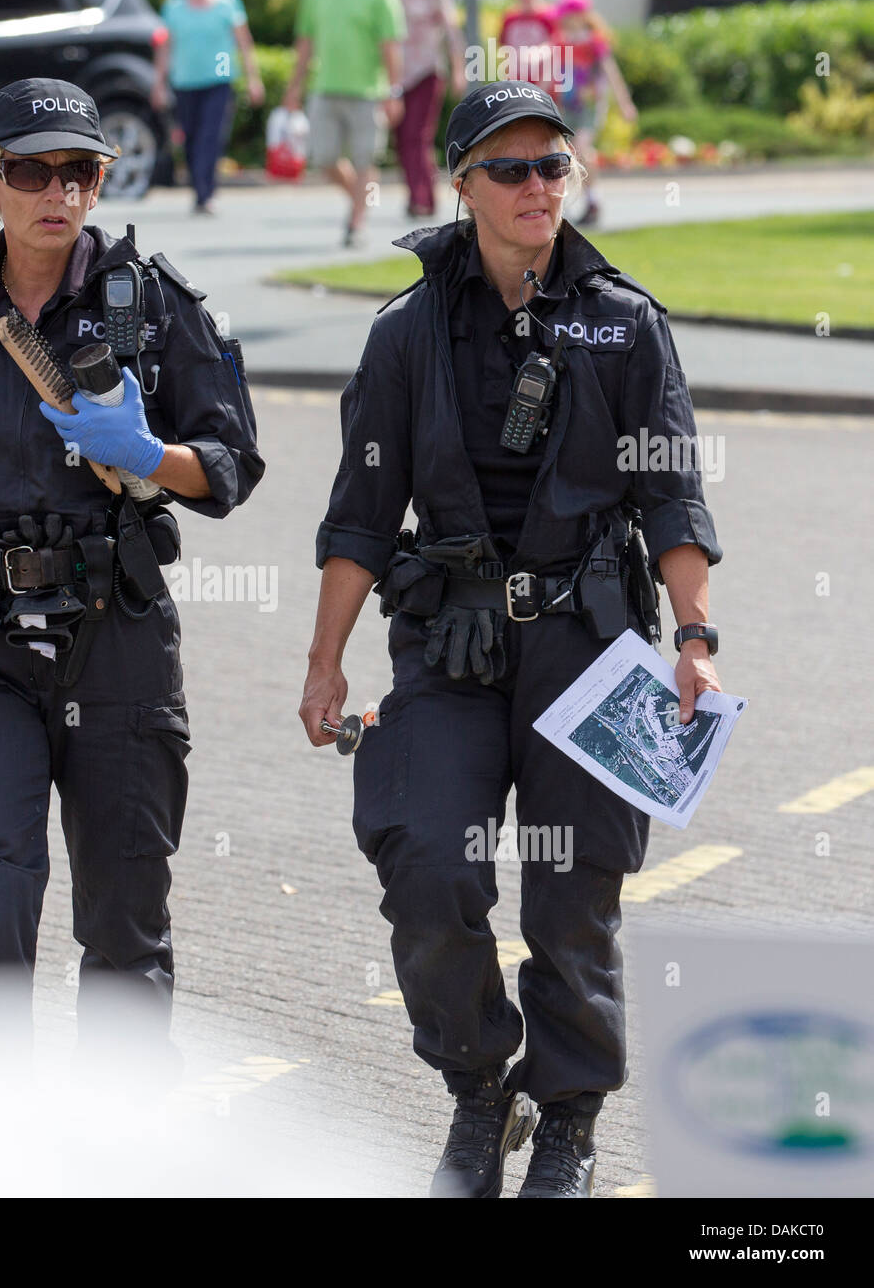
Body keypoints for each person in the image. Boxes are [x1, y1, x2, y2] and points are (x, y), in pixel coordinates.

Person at [300, 81, 724, 1197]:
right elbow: (357, 514)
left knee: (573, 891)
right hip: (446, 645)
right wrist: (322, 660)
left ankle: (571, 1119)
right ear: (461, 184)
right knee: (428, 864)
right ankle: (480, 1092)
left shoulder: (624, 324)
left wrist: (695, 636)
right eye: (510, 169)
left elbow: (672, 500)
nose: (537, 187)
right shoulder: (405, 332)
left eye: (552, 166)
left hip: (586, 649)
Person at [0, 78, 264, 1074]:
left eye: (77, 171)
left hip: (113, 638)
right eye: (30, 170)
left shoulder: (153, 305)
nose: (57, 191)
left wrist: (147, 451)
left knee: (125, 923)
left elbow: (230, 466)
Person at [283, 0, 406, 247]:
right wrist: (294, 87)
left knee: (365, 158)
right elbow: (306, 41)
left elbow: (390, 45)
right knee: (324, 157)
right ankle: (360, 199)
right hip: (324, 88)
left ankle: (356, 223)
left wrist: (394, 91)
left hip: (368, 92)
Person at [152, 0, 265, 215]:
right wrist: (159, 83)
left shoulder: (228, 2)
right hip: (185, 80)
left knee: (211, 136)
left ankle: (206, 193)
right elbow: (165, 46)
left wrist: (253, 79)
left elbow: (244, 42)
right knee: (191, 137)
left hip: (219, 78)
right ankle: (199, 189)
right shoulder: (173, 5)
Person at [551, 0, 637, 225]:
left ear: (580, 15)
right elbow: (552, 73)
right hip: (567, 107)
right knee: (564, 152)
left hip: (589, 107)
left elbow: (611, 72)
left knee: (581, 147)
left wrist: (624, 103)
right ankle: (566, 201)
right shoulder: (561, 42)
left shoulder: (595, 42)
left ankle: (594, 199)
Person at [391, 0, 468, 219]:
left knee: (418, 134)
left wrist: (458, 69)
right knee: (402, 138)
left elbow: (451, 32)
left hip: (427, 71)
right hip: (395, 74)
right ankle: (415, 194)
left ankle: (423, 199)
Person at [498, 0, 556, 86]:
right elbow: (505, 49)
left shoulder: (549, 16)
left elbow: (557, 47)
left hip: (543, 86)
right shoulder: (510, 18)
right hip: (517, 85)